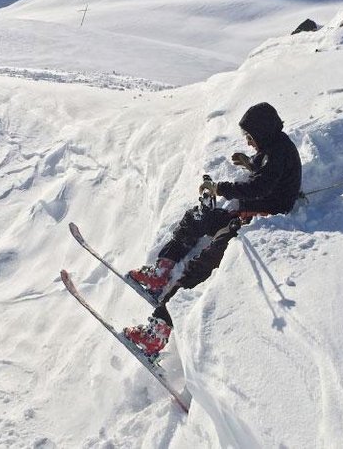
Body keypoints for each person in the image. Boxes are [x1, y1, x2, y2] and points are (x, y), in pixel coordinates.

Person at [123, 102, 302, 357]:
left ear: (262, 133)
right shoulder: (276, 145)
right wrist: (250, 163)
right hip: (245, 214)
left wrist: (221, 188)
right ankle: (161, 271)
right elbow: (267, 172)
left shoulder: (278, 153)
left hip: (255, 224)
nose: (250, 143)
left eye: (251, 138)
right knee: (197, 218)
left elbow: (260, 187)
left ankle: (157, 334)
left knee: (201, 264)